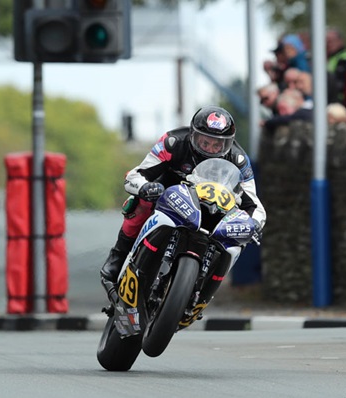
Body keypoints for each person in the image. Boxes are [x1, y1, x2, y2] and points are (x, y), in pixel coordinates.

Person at [100, 106, 267, 298]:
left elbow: (254, 204)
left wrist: (254, 223)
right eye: (205, 143)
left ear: (227, 144)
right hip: (168, 198)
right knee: (139, 203)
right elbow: (137, 174)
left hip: (212, 210)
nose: (210, 150)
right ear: (193, 135)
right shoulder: (173, 141)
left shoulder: (238, 159)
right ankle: (117, 257)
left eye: (217, 145)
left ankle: (204, 291)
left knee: (240, 235)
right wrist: (145, 188)